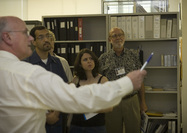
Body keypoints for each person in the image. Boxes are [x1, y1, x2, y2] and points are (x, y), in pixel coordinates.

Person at [0, 16, 146, 133]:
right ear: (7, 37)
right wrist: (127, 82)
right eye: (25, 33)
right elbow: (74, 96)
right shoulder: (25, 73)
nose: (30, 38)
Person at [99, 27, 148, 133]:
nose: (118, 38)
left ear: (124, 37)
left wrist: (143, 102)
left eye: (120, 35)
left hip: (131, 100)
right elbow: (98, 81)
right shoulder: (103, 58)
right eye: (114, 36)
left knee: (134, 130)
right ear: (109, 39)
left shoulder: (133, 56)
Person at [24, 25, 68, 133]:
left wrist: (56, 113)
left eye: (48, 36)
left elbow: (63, 90)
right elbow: (24, 95)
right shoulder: (26, 64)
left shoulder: (57, 62)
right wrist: (44, 115)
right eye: (41, 37)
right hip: (35, 122)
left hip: (56, 120)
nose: (46, 40)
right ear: (33, 42)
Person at [69, 48, 112, 133]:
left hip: (96, 126)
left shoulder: (103, 81)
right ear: (80, 64)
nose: (89, 61)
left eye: (91, 59)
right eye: (85, 59)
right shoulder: (75, 80)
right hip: (76, 126)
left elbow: (110, 107)